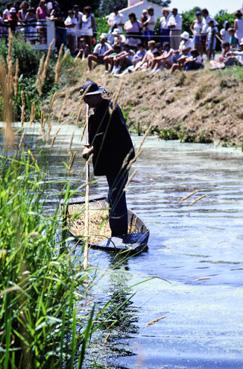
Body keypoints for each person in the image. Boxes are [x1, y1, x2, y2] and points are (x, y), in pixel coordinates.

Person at [80, 80, 135, 238]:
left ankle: (119, 235)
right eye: (84, 98)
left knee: (117, 195)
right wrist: (88, 146)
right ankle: (117, 230)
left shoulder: (111, 110)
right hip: (110, 160)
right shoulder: (96, 112)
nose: (85, 101)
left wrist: (91, 149)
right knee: (114, 194)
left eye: (87, 97)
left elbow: (110, 139)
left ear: (97, 96)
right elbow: (94, 137)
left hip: (119, 159)